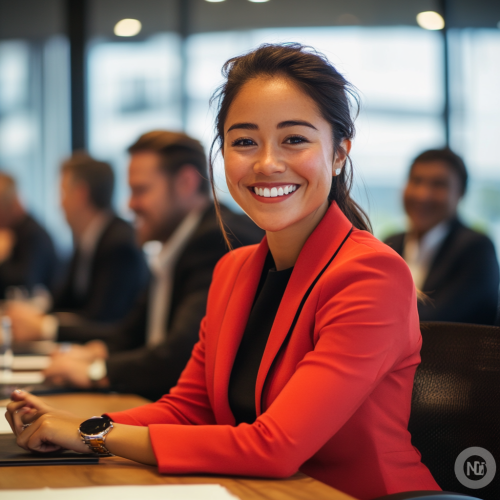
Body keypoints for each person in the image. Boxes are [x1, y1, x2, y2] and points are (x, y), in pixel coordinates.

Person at [5, 44, 440, 500]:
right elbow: (188, 408)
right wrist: (70, 425)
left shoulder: (372, 274)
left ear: (337, 154)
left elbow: (275, 447)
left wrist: (96, 435)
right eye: (244, 141)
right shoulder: (233, 270)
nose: (267, 163)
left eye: (294, 139)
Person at [42, 131, 263, 400]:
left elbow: (179, 356)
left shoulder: (218, 240)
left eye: (140, 190)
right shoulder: (178, 244)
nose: (130, 204)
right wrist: (97, 351)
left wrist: (96, 371)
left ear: (185, 183)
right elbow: (132, 333)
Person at [6, 152, 149, 340]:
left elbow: (104, 320)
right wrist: (34, 315)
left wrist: (44, 326)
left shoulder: (119, 244)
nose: (60, 204)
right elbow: (64, 301)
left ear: (81, 194)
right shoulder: (89, 239)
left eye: (63, 193)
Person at [385, 148, 499, 325]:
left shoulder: (477, 249)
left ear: (460, 193)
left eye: (439, 185)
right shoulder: (391, 243)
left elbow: (440, 318)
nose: (423, 195)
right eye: (416, 181)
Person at [0, 172, 59, 299]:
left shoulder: (34, 235)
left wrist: (3, 259)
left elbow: (26, 283)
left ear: (13, 203)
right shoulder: (11, 230)